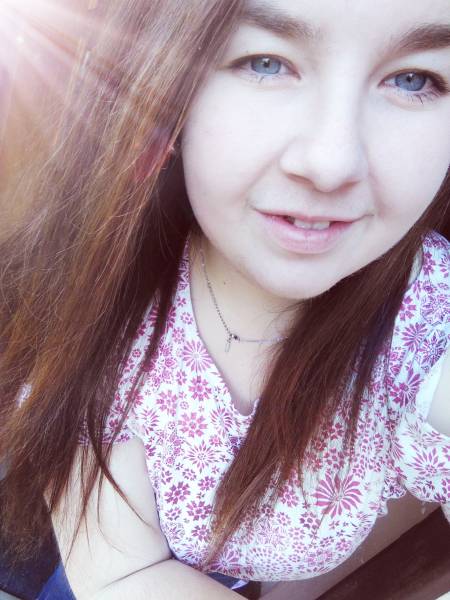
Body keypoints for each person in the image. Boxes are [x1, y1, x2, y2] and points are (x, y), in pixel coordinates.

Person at [0, 0, 449, 598]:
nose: (331, 162)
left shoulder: (429, 323)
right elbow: (119, 572)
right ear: (170, 88)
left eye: (414, 79)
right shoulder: (103, 283)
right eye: (265, 62)